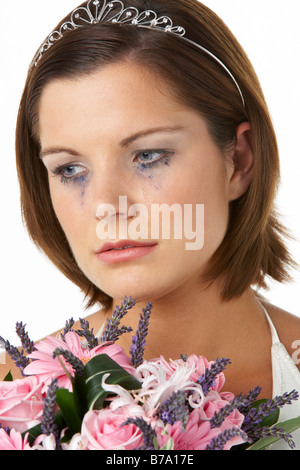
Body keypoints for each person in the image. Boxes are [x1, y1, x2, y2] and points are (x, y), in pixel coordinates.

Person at [1, 0, 300, 449]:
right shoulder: (10, 397)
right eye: (70, 170)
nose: (106, 206)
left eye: (148, 156)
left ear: (238, 161)